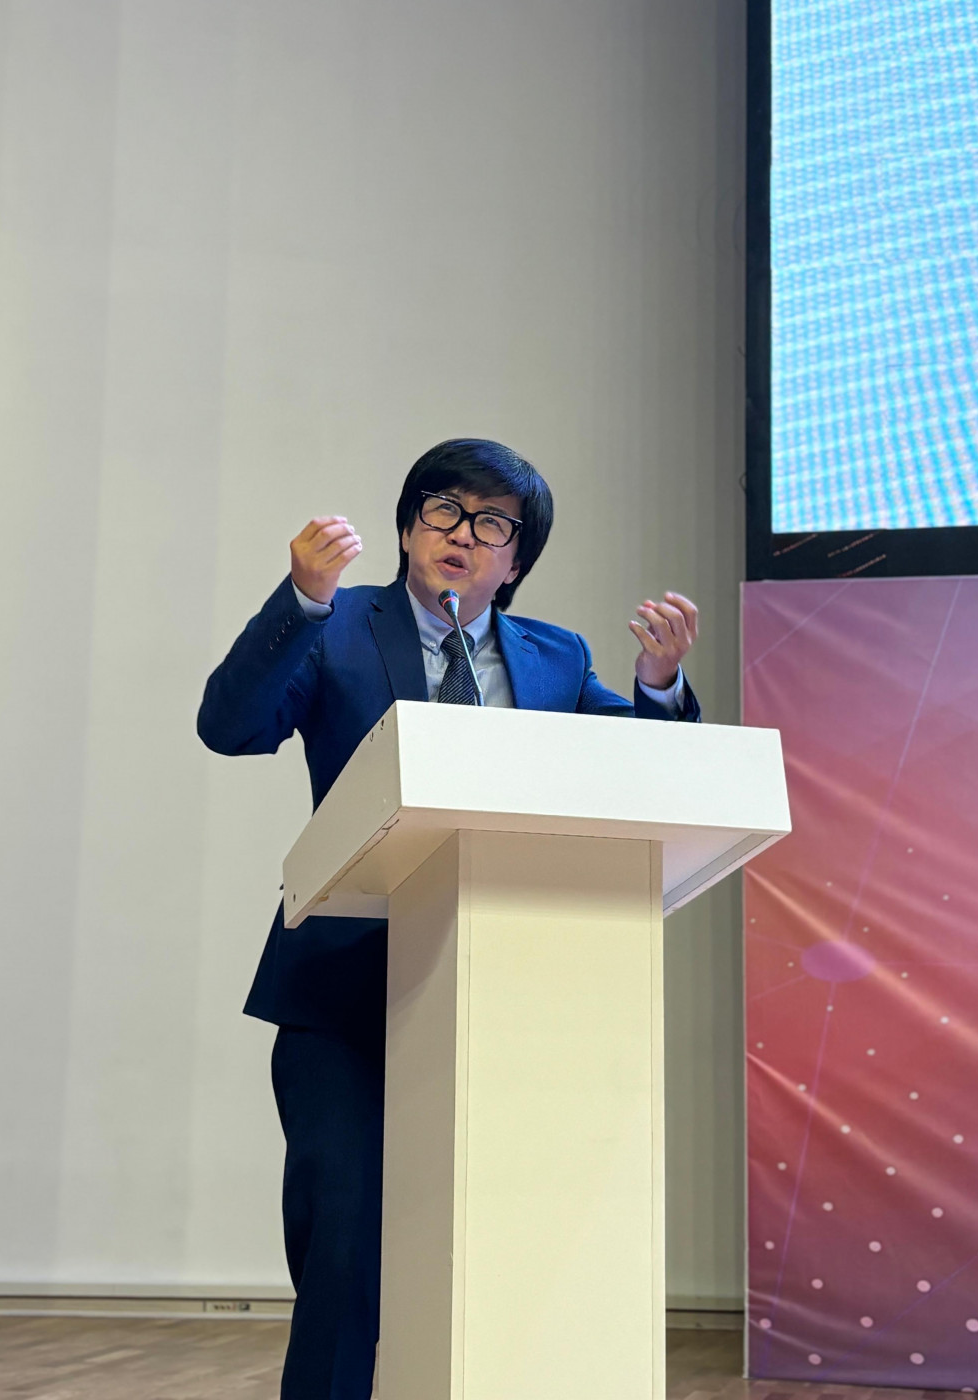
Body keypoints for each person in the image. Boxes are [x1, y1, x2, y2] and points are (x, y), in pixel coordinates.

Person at [197, 438, 701, 1400]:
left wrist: (659, 686)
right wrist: (301, 598)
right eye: (443, 509)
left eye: (491, 522)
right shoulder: (338, 625)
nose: (461, 533)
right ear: (407, 527)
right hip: (343, 993)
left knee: (501, 1244)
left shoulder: (556, 657)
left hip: (504, 996)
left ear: (516, 562)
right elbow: (230, 726)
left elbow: (639, 772)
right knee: (346, 1237)